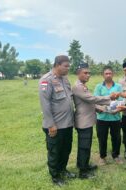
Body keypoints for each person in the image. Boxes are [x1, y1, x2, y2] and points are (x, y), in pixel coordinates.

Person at [72, 62, 116, 179]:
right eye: (85, 73)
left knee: (86, 145)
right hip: (83, 122)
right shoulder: (78, 86)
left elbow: (87, 103)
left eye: (89, 73)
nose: (88, 75)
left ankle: (83, 165)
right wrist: (109, 98)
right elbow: (92, 99)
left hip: (87, 120)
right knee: (84, 146)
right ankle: (83, 172)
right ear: (78, 73)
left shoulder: (82, 85)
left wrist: (98, 109)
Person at [39, 55, 76, 186]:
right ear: (57, 65)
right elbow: (45, 103)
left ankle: (63, 170)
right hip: (55, 125)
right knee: (55, 152)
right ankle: (55, 177)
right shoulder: (46, 80)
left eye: (68, 66)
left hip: (67, 123)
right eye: (65, 66)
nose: (68, 68)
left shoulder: (65, 80)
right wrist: (51, 124)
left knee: (66, 149)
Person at [94, 66, 123, 165]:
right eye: (106, 73)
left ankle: (116, 155)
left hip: (115, 117)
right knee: (102, 137)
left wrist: (117, 108)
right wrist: (100, 108)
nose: (108, 75)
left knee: (116, 137)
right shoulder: (99, 87)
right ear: (103, 75)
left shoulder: (118, 86)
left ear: (113, 74)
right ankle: (102, 156)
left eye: (110, 73)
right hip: (102, 117)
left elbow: (121, 101)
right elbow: (95, 100)